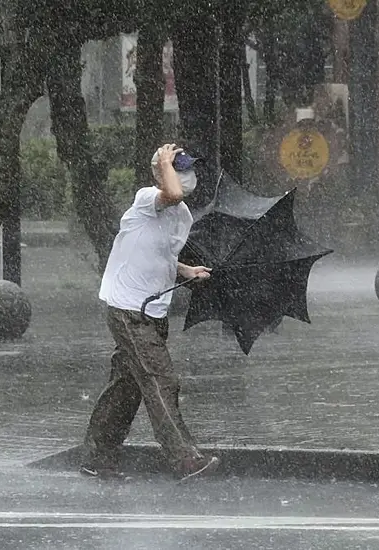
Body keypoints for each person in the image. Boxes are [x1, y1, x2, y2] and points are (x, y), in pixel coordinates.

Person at [80, 143, 219, 481]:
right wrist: (164, 163)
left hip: (153, 311)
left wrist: (186, 271)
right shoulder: (147, 199)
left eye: (188, 168)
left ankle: (97, 457)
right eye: (178, 168)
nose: (186, 176)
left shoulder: (181, 215)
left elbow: (161, 255)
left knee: (127, 386)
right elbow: (170, 192)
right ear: (159, 174)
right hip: (129, 310)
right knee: (160, 380)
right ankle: (184, 459)